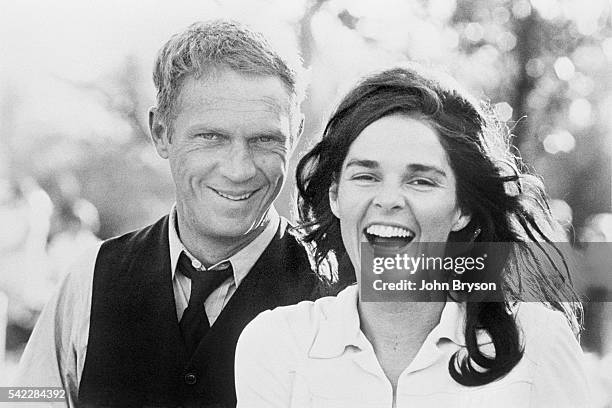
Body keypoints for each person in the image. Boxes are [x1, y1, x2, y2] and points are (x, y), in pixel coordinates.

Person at [235, 65, 591, 407]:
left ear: (462, 208)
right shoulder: (277, 344)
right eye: (366, 176)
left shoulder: (538, 343)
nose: (389, 200)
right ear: (335, 196)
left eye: (420, 180)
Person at [16, 20, 319, 407]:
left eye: (264, 139)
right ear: (161, 131)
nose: (239, 169)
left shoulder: (342, 284)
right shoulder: (88, 278)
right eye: (211, 137)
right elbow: (26, 396)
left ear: (295, 136)